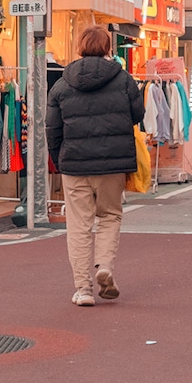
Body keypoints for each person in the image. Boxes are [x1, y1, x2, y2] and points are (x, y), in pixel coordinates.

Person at [46, 25, 144, 307]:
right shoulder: (123, 79)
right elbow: (138, 114)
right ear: (107, 47)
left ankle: (84, 289)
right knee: (110, 216)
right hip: (113, 163)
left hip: (74, 164)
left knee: (78, 225)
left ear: (80, 46)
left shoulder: (62, 83)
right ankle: (104, 268)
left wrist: (59, 159)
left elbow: (52, 128)